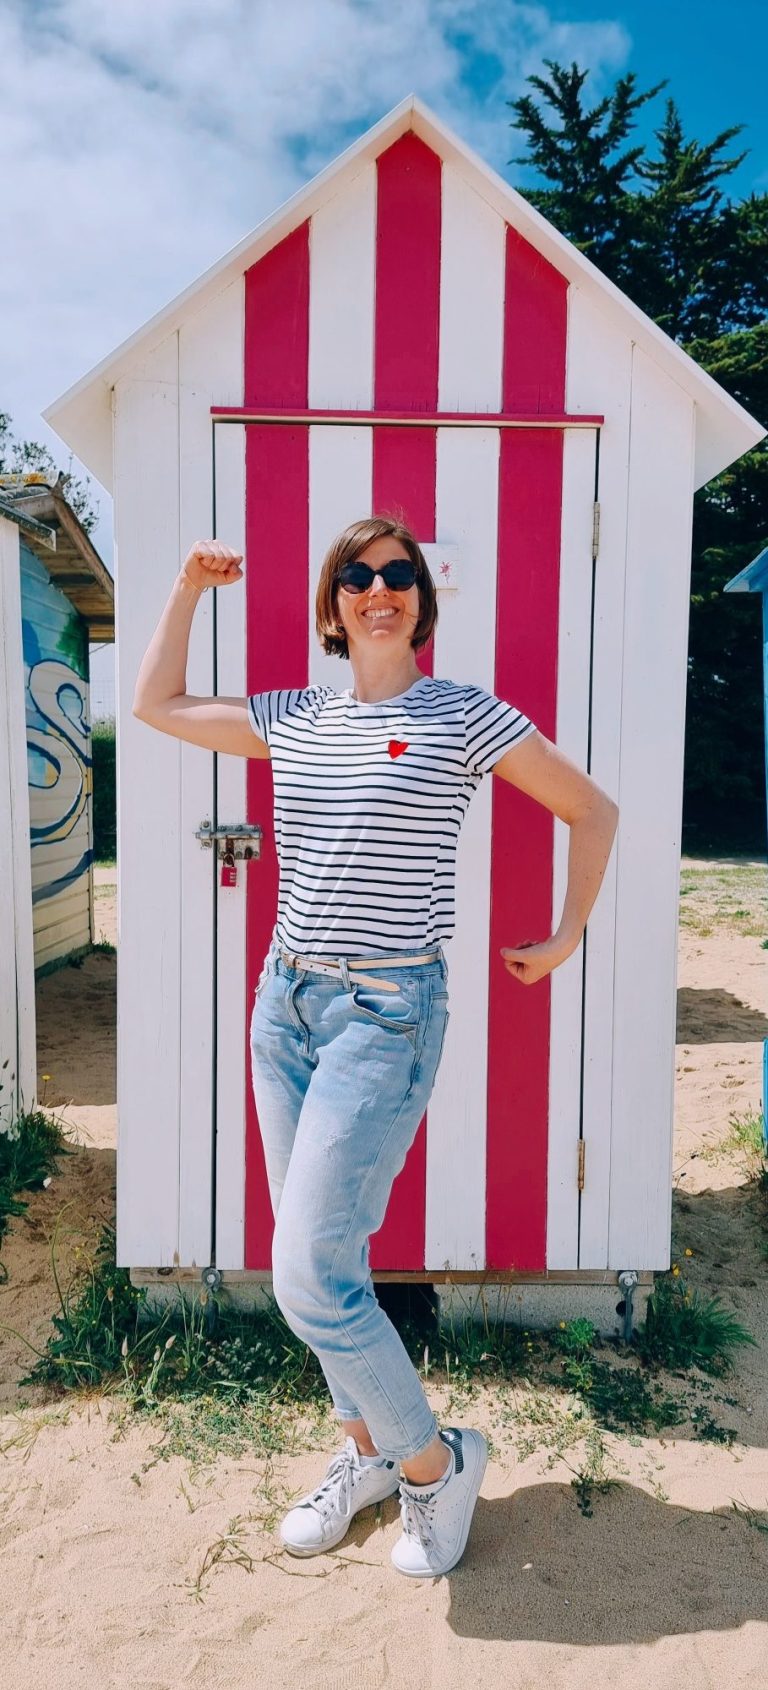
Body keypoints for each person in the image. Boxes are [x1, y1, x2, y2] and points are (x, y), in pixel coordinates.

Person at [132, 514, 619, 1578]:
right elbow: (154, 704)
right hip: (284, 1009)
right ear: (334, 602)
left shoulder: (463, 716)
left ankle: (434, 1466)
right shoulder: (295, 715)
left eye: (398, 575)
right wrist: (186, 589)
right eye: (357, 575)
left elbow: (592, 808)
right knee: (331, 1258)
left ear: (420, 603)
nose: (378, 588)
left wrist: (569, 931)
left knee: (305, 1272)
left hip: (387, 1018)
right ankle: (362, 1453)